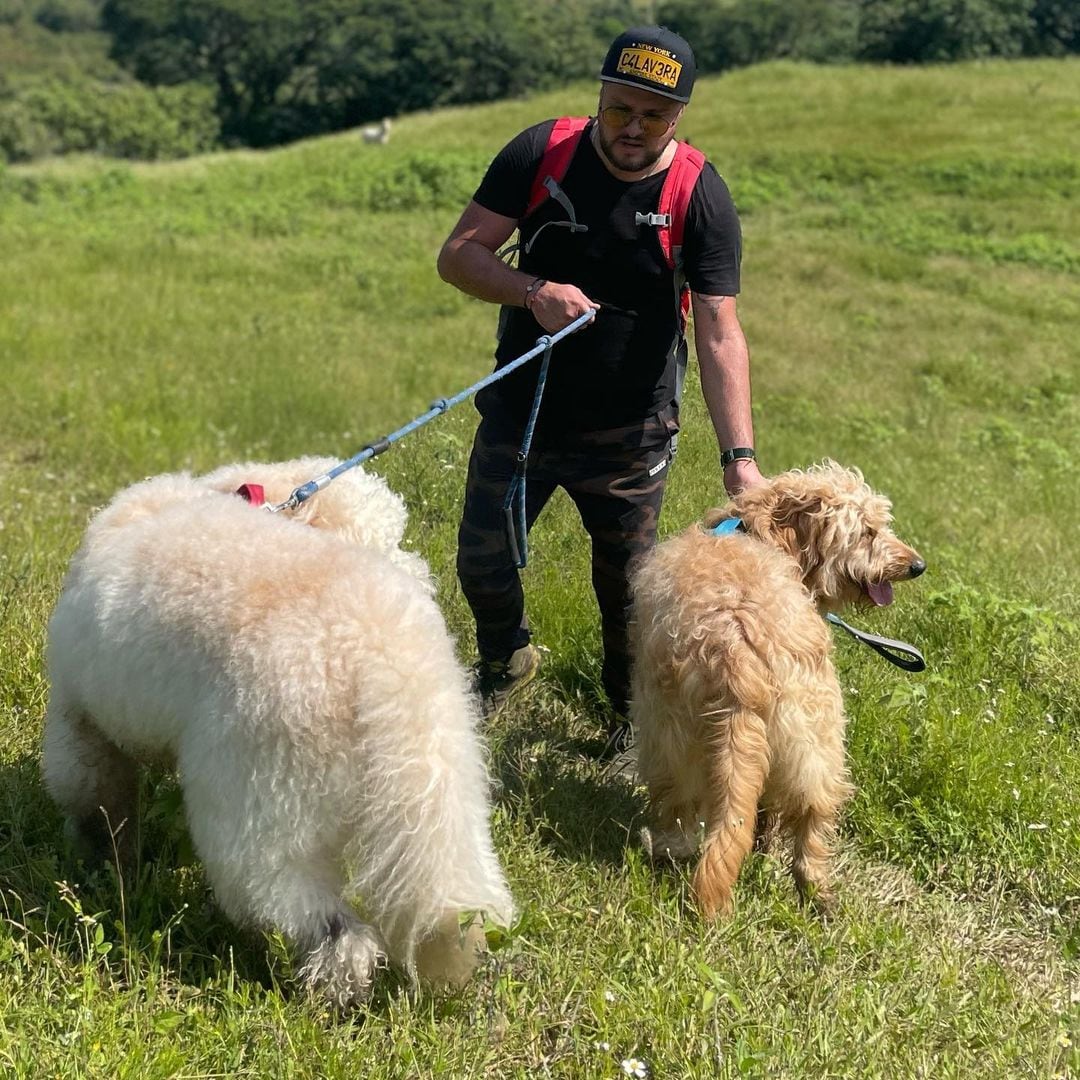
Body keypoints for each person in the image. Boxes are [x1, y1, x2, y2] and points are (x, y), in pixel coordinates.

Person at [437, 25, 765, 753]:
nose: (634, 129)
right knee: (481, 558)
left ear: (678, 116)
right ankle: (505, 659)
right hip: (522, 415)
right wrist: (531, 291)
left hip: (630, 434)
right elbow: (458, 256)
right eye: (621, 110)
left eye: (654, 115)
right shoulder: (540, 153)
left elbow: (718, 332)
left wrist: (739, 457)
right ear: (599, 98)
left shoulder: (699, 194)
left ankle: (626, 719)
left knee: (627, 593)